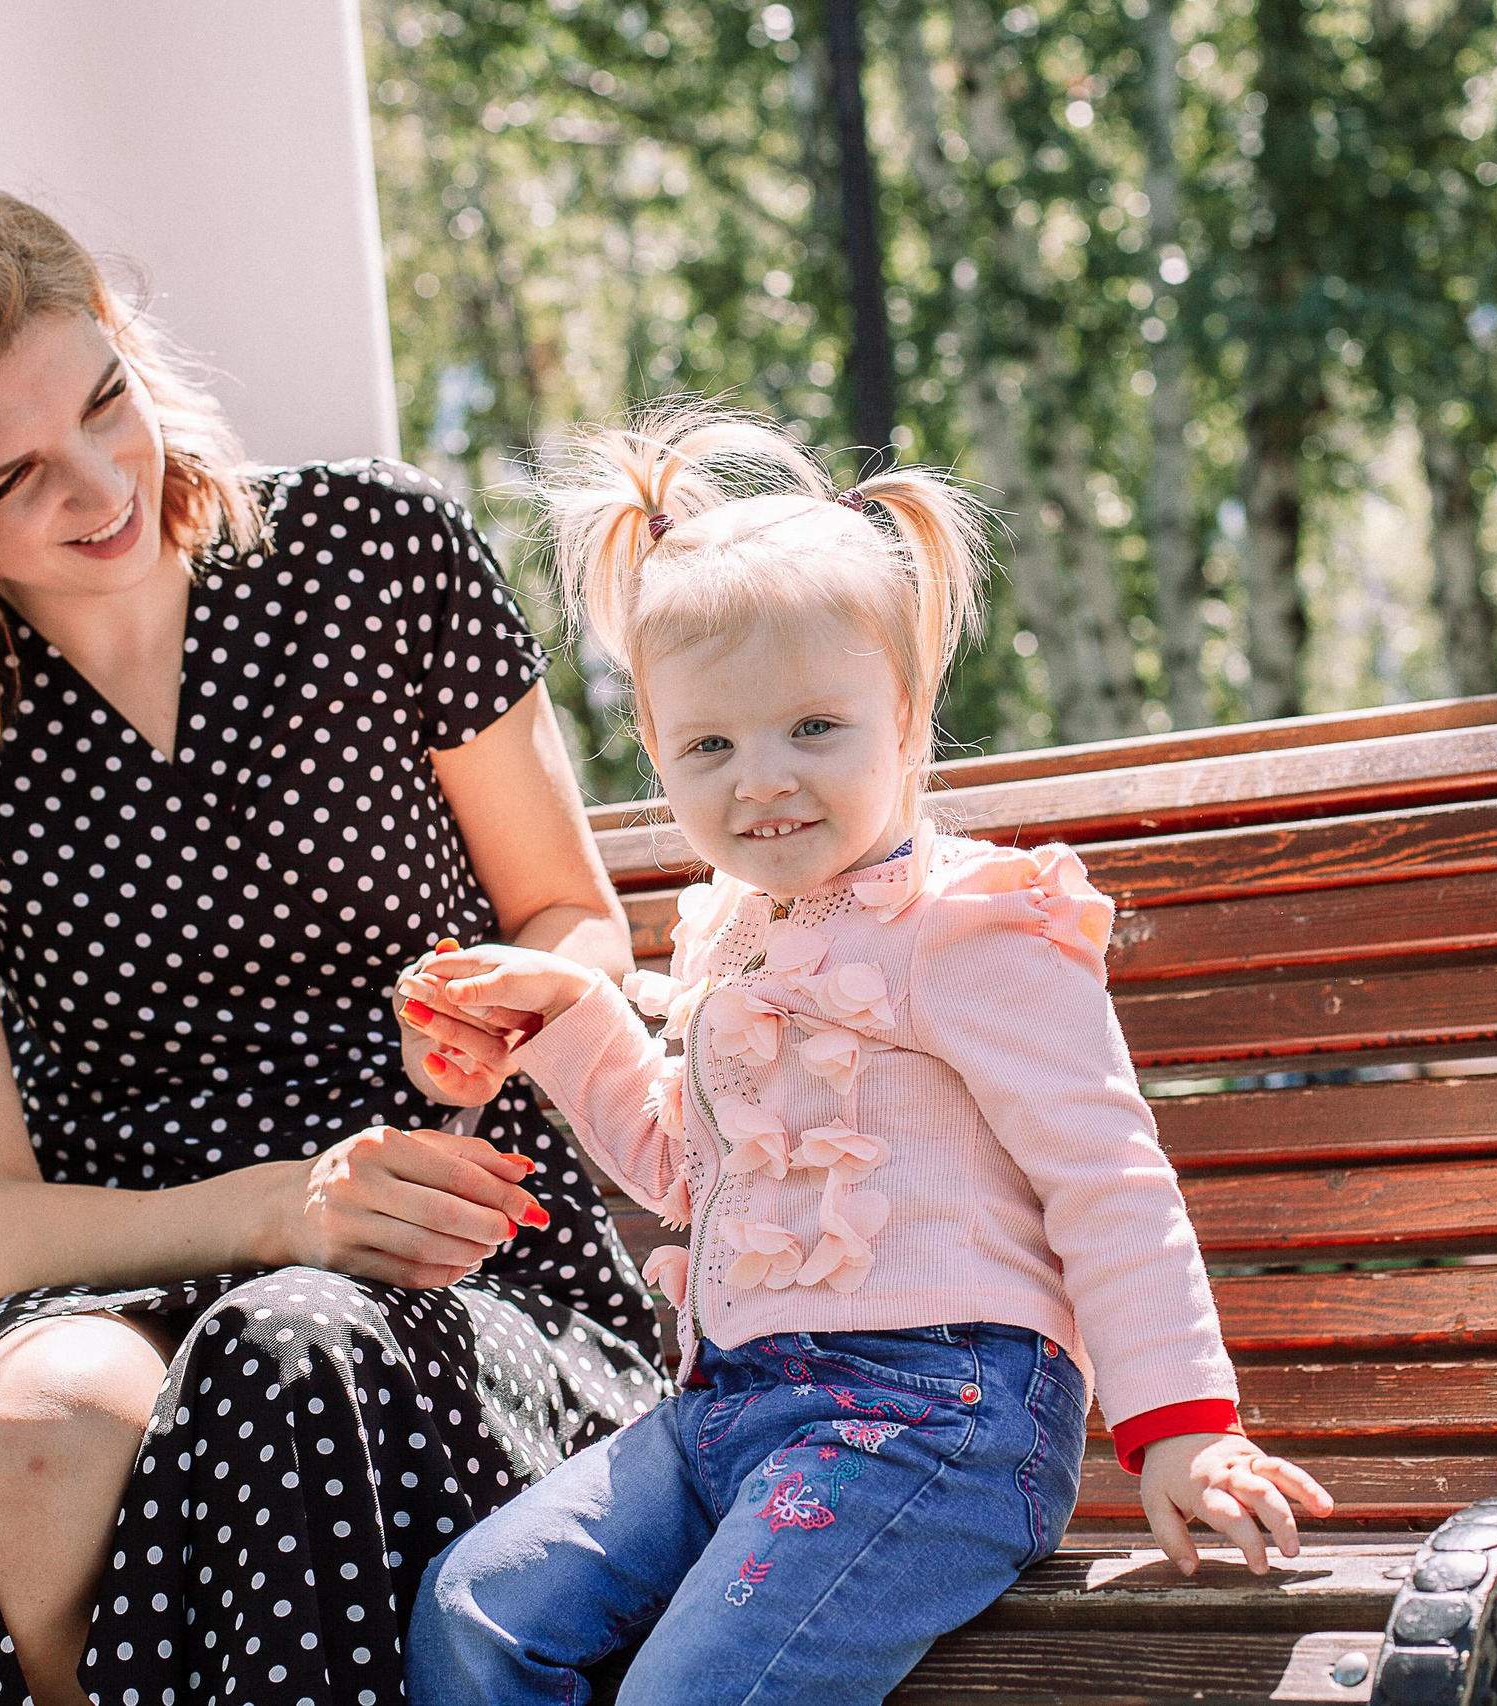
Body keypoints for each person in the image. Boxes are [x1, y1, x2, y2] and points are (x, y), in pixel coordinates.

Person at [0, 178, 667, 1706]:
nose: (101, 484)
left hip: (466, 1245)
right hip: (125, 1256)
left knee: (286, 1356)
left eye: (106, 398)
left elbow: (572, 915)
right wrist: (286, 1206)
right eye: (10, 477)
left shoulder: (374, 548)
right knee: (42, 1423)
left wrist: (523, 999)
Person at [400, 409, 1336, 1706]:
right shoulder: (736, 932)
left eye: (814, 728)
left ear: (907, 717)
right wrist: (564, 1009)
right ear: (659, 753)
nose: (761, 780)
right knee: (476, 1609)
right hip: (726, 1414)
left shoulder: (972, 925)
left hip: (934, 1425)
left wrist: (1182, 1426)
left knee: (689, 1692)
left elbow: (1108, 1178)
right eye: (709, 746)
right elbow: (686, 1164)